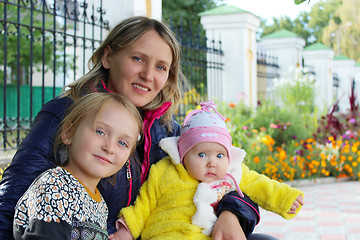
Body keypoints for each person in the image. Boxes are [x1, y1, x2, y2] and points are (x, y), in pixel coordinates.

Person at [0, 16, 277, 240]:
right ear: (108, 57)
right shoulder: (67, 113)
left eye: (161, 67)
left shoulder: (167, 131)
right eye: (138, 59)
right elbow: (14, 197)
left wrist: (232, 213)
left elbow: (231, 176)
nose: (148, 75)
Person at [109, 101, 304, 240]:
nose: (212, 163)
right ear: (183, 155)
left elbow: (260, 185)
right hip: (166, 234)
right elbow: (144, 204)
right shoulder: (165, 171)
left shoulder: (232, 173)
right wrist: (127, 231)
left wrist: (284, 198)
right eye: (201, 155)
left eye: (220, 155)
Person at [13, 92, 143, 239]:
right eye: (100, 132)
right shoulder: (55, 186)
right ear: (69, 132)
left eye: (122, 143)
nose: (109, 148)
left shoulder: (99, 203)